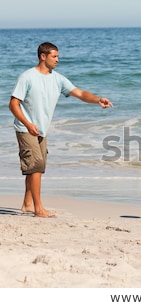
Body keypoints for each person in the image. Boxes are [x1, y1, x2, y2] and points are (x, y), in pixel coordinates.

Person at [9, 42, 113, 218]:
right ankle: (39, 209)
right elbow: (13, 104)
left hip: (41, 129)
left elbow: (79, 93)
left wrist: (97, 100)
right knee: (36, 167)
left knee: (36, 167)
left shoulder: (58, 79)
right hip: (26, 128)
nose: (58, 59)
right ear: (43, 56)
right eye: (54, 56)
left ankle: (27, 204)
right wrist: (28, 124)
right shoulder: (27, 77)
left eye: (57, 56)